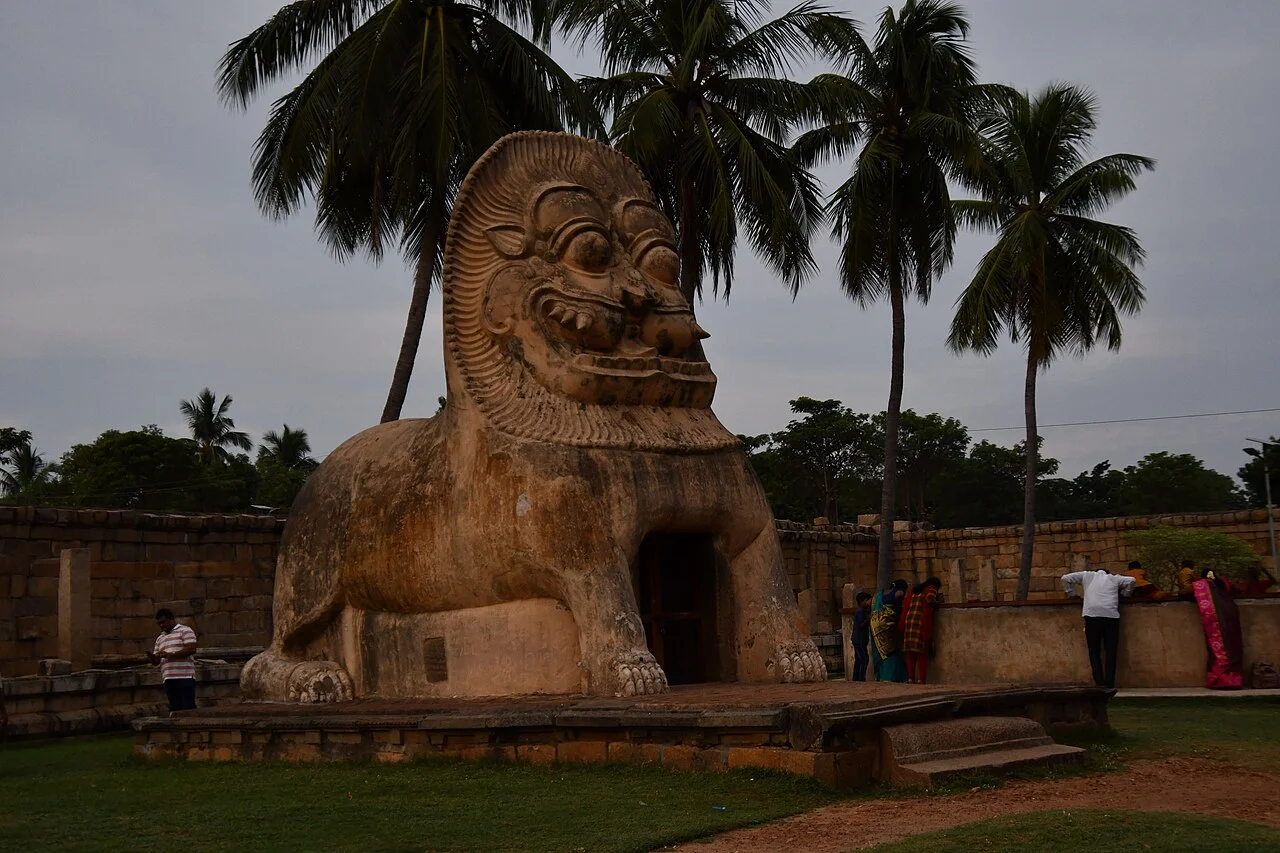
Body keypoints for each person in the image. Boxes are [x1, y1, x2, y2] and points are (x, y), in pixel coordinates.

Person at [1061, 565, 1137, 688]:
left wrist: (1071, 594)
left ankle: (1099, 683)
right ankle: (1109, 683)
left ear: (1095, 572)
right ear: (1108, 573)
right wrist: (1125, 593)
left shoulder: (1087, 575)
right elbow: (1132, 580)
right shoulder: (1114, 578)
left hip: (1092, 616)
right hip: (1111, 616)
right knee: (1111, 651)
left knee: (1094, 651)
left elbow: (1065, 578)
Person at [1192, 570, 1245, 689]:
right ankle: (1235, 680)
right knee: (1234, 647)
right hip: (1231, 615)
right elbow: (1240, 590)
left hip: (1215, 620)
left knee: (1218, 649)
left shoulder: (1201, 585)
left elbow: (1182, 593)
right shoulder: (1223, 583)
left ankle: (1221, 680)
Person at [150, 609, 198, 712]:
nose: (161, 625)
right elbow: (156, 661)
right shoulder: (160, 638)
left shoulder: (185, 630)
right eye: (159, 623)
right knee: (175, 708)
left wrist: (170, 655)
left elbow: (191, 649)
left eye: (163, 622)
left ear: (171, 619)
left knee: (188, 708)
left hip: (185, 677)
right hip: (168, 678)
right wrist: (153, 658)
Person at [899, 577, 943, 684]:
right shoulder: (931, 588)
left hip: (909, 623)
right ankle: (921, 680)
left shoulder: (914, 590)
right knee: (921, 654)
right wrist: (938, 602)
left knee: (911, 653)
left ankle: (911, 678)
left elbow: (905, 606)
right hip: (920, 624)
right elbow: (930, 599)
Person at [870, 580, 908, 683]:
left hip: (875, 626)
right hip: (886, 627)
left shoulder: (879, 595)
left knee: (882, 653)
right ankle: (891, 677)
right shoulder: (898, 593)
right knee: (891, 652)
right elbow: (900, 595)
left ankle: (882, 676)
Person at [850, 592, 872, 681]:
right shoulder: (860, 612)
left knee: (859, 660)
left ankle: (856, 678)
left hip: (859, 640)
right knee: (864, 659)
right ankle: (861, 678)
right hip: (859, 640)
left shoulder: (861, 611)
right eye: (867, 600)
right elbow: (861, 625)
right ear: (862, 601)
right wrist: (869, 619)